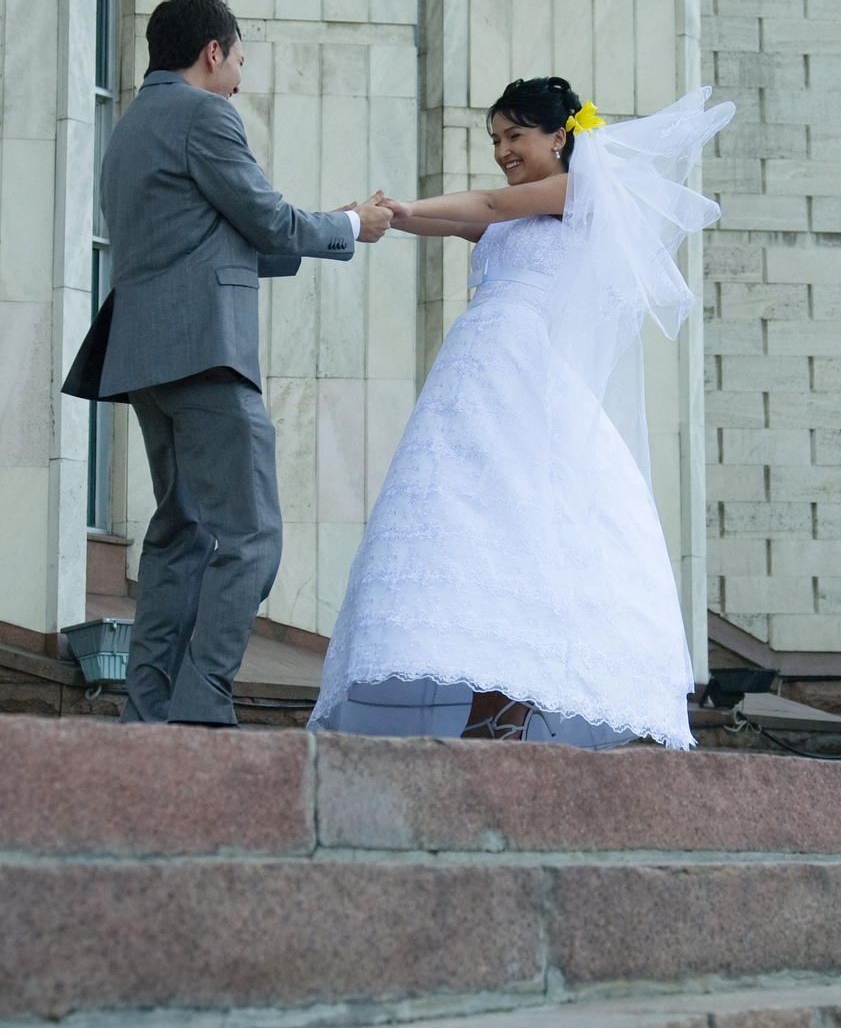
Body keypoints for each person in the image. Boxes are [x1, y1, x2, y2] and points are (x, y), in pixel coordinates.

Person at [310, 77, 733, 748]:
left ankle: (513, 697)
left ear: (560, 136)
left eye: (515, 135)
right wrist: (380, 217)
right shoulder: (515, 214)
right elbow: (458, 218)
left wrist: (404, 202)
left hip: (527, 376)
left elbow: (484, 201)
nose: (504, 150)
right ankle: (492, 694)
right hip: (476, 373)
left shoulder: (577, 192)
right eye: (496, 139)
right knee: (475, 525)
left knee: (523, 521)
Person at [63, 0, 394, 726]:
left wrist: (332, 224)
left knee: (181, 539)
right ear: (214, 51)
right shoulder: (206, 114)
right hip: (207, 354)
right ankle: (203, 698)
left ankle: (148, 707)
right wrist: (351, 224)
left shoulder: (128, 128)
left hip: (145, 360)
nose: (242, 78)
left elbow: (221, 234)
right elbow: (268, 217)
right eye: (241, 59)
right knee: (250, 536)